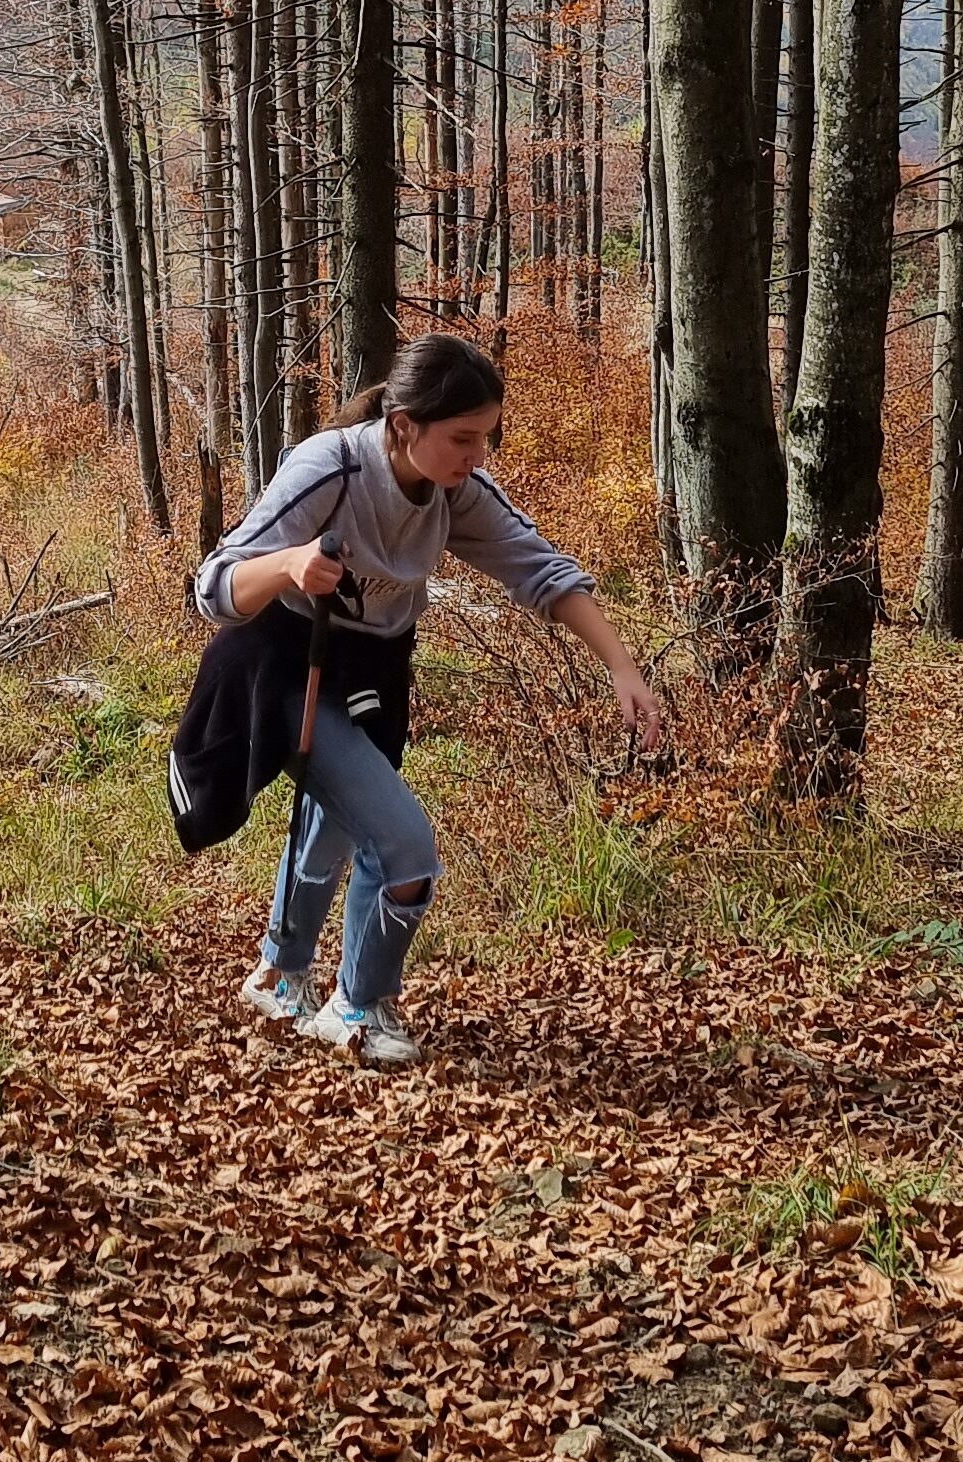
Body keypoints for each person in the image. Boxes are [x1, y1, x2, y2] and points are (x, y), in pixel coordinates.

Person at [186, 332, 668, 1068]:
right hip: (283, 661)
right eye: (463, 438)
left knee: (337, 824)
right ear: (404, 424)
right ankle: (358, 1004)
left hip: (374, 665)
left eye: (486, 439)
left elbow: (541, 570)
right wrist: (290, 563)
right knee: (404, 844)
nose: (476, 457)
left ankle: (281, 976)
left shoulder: (456, 492)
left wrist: (621, 668)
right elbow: (215, 585)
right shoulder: (333, 467)